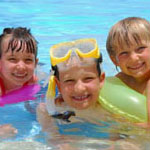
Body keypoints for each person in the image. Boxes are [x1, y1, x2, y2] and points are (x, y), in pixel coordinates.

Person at [106, 17, 150, 127]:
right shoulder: (120, 80)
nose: (134, 58)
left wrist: (126, 126)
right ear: (114, 60)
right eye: (124, 53)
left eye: (140, 48)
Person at [0, 27, 38, 138]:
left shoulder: (32, 80)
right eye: (12, 59)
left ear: (35, 63)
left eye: (28, 60)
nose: (21, 67)